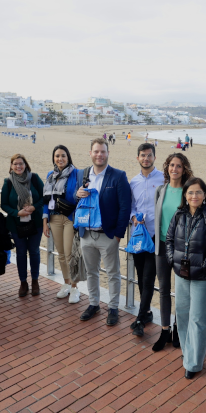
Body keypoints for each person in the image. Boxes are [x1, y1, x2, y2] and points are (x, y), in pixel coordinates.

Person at [165, 178, 206, 379]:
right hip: (181, 274)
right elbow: (170, 240)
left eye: (198, 192)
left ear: (205, 194)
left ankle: (194, 362)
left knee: (198, 318)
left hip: (203, 276)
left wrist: (202, 264)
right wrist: (172, 259)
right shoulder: (179, 214)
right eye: (190, 192)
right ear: (185, 195)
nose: (194, 196)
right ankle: (187, 351)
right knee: (182, 315)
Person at [77, 139, 132, 326]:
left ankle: (113, 307)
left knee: (113, 273)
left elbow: (125, 207)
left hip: (107, 235)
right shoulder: (82, 174)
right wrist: (77, 194)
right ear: (90, 153)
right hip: (86, 234)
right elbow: (72, 200)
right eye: (96, 151)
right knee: (91, 272)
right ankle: (94, 304)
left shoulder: (118, 176)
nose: (99, 155)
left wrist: (118, 234)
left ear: (108, 153)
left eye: (102, 151)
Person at [151, 153, 193, 351]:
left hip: (181, 250)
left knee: (182, 292)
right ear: (167, 168)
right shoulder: (161, 190)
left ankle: (178, 329)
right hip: (161, 246)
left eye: (178, 166)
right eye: (171, 165)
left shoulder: (188, 192)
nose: (174, 169)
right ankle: (165, 330)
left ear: (184, 169)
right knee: (164, 289)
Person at [128, 143, 164, 337]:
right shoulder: (133, 182)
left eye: (149, 155)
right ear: (138, 158)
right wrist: (133, 217)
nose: (146, 159)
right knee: (141, 277)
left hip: (156, 236)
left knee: (149, 277)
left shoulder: (163, 179)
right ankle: (147, 312)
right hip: (138, 236)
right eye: (142, 155)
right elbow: (131, 207)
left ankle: (140, 319)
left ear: (154, 158)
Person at [1, 154, 44, 297]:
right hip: (16, 224)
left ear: (26, 165)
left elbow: (44, 198)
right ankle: (23, 282)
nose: (18, 166)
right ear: (11, 166)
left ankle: (35, 281)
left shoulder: (35, 178)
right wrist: (16, 213)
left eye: (21, 163)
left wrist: (34, 207)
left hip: (35, 223)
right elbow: (4, 204)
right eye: (15, 164)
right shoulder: (8, 182)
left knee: (34, 251)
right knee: (20, 253)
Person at [43, 145, 82, 304]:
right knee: (60, 253)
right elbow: (45, 200)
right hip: (54, 218)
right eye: (57, 156)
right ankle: (65, 284)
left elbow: (79, 197)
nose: (60, 159)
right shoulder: (50, 175)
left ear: (68, 157)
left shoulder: (76, 173)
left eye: (63, 156)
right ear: (53, 158)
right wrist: (45, 221)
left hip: (70, 218)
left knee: (69, 253)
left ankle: (74, 287)